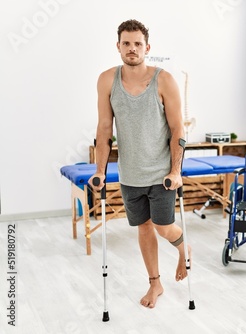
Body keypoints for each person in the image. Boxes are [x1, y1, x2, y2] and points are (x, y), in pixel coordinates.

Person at [90, 19, 189, 309]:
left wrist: (175, 171)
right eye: (126, 43)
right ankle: (155, 283)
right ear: (118, 46)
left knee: (163, 226)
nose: (132, 48)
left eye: (137, 43)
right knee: (143, 228)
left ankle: (184, 249)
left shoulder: (164, 80)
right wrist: (99, 170)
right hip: (129, 174)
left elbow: (177, 130)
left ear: (147, 47)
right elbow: (104, 128)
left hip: (161, 174)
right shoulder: (107, 80)